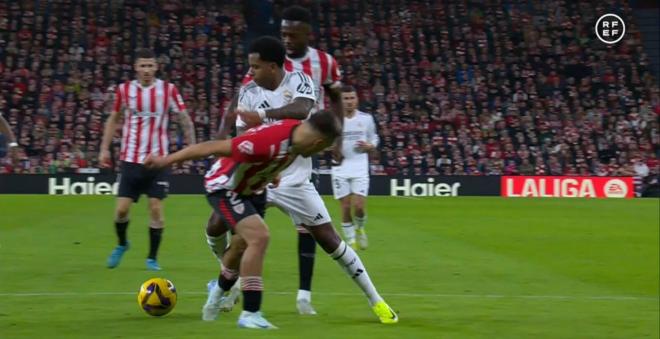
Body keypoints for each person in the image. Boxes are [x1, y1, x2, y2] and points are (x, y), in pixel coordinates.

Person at [204, 36, 398, 325]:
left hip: (294, 178)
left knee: (329, 240)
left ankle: (376, 300)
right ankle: (228, 284)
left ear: (272, 66)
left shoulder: (300, 81)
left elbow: (302, 109)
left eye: (255, 67)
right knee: (219, 228)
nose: (251, 73)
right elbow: (245, 137)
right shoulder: (248, 92)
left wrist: (263, 115)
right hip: (259, 178)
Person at [145, 112, 343, 329]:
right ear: (318, 142)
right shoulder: (263, 143)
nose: (314, 154)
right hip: (225, 186)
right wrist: (165, 160)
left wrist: (271, 172)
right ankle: (250, 313)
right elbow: (211, 147)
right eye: (319, 150)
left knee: (240, 247)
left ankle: (215, 297)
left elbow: (275, 148)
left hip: (255, 188)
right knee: (260, 237)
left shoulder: (296, 131)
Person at [210, 5, 344, 316]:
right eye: (283, 33)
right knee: (239, 229)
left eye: (292, 34)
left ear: (307, 33)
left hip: (303, 146)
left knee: (307, 226)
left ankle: (303, 295)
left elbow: (335, 97)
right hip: (265, 153)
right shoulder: (264, 60)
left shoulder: (323, 63)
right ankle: (230, 286)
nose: (286, 38)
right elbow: (243, 94)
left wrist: (334, 135)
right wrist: (224, 130)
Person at [99, 48, 195, 271]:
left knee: (155, 208)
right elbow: (113, 119)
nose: (147, 70)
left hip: (158, 160)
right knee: (121, 211)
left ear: (157, 67)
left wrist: (191, 148)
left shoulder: (168, 90)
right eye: (142, 65)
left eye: (150, 65)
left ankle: (152, 258)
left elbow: (184, 118)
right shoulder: (124, 90)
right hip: (130, 159)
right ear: (135, 67)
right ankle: (123, 244)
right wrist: (104, 149)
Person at [331, 85, 379, 250]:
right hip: (339, 167)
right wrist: (332, 148)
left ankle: (359, 228)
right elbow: (325, 141)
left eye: (352, 98)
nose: (349, 101)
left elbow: (375, 139)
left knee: (358, 206)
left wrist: (369, 145)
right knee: (345, 207)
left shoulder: (366, 119)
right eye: (346, 98)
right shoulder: (334, 120)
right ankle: (351, 242)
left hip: (359, 167)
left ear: (357, 99)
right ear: (341, 101)